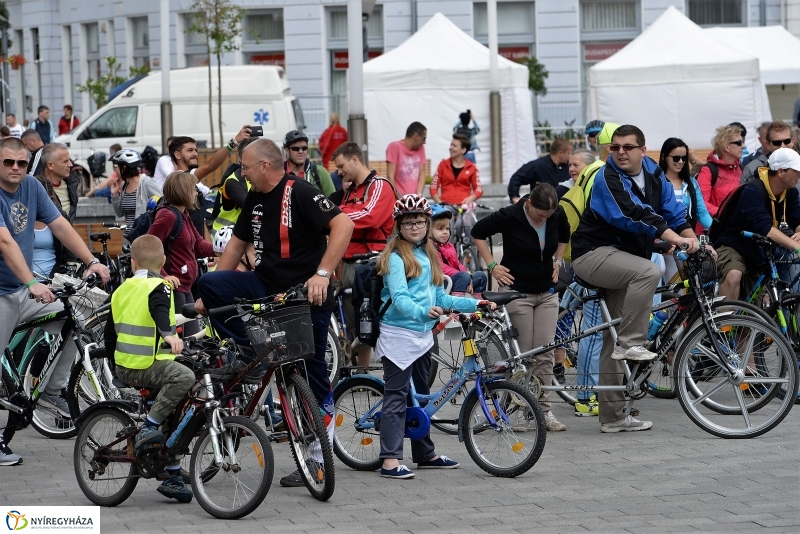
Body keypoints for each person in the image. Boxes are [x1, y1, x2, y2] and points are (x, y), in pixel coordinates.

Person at [195, 138, 354, 487]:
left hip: (305, 295)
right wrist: (210, 293)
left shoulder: (299, 191)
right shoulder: (254, 196)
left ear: (264, 166)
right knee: (208, 285)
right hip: (265, 287)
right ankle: (253, 352)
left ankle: (315, 457)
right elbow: (237, 244)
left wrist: (323, 274)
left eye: (246, 166)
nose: (242, 172)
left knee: (312, 380)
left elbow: (344, 225)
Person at [570, 124, 700, 433]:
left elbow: (674, 212)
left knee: (611, 340)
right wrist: (672, 239)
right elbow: (634, 214)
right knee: (651, 271)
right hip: (592, 255)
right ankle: (632, 342)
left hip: (623, 260)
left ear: (643, 150)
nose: (620, 152)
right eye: (615, 147)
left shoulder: (655, 174)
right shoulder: (607, 178)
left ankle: (613, 418)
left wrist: (692, 239)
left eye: (628, 147)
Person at [0, 137, 110, 466]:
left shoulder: (33, 187)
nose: (16, 168)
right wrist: (31, 281)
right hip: (4, 292)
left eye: (21, 162)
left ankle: (52, 390)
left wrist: (91, 260)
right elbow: (5, 241)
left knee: (76, 313)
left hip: (24, 290)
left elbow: (60, 225)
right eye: (8, 162)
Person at [375, 194, 491, 479]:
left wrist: (476, 303)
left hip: (423, 335)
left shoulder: (428, 253)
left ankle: (424, 454)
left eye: (420, 222)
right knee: (397, 396)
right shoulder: (394, 256)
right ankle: (389, 460)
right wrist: (423, 311)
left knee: (421, 397)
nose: (415, 227)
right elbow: (400, 298)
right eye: (408, 222)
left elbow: (440, 294)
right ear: (399, 225)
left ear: (427, 224)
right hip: (400, 334)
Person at [102, 234, 194, 502]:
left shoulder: (122, 290)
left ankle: (172, 473)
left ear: (132, 263)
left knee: (177, 409)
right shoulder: (161, 286)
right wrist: (169, 336)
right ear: (164, 261)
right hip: (144, 367)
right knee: (184, 377)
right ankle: (149, 427)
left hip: (126, 367)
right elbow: (158, 310)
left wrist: (116, 366)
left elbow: (110, 335)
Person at [472, 183, 570, 432]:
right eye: (540, 214)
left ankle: (543, 411)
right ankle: (519, 410)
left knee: (545, 353)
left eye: (548, 216)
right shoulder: (511, 214)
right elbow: (478, 231)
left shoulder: (557, 213)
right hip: (517, 292)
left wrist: (557, 261)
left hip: (547, 292)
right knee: (523, 355)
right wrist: (492, 264)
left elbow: (565, 236)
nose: (544, 218)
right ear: (529, 204)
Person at [332, 141, 396, 367]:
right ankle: (361, 374)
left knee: (370, 318)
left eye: (341, 166)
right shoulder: (349, 190)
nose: (339, 172)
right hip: (348, 262)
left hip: (372, 263)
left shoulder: (380, 185)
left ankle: (372, 368)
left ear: (355, 160)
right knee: (353, 320)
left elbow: (371, 216)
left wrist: (338, 215)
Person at [715, 147, 800, 301]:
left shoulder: (790, 191)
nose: (799, 175)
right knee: (734, 275)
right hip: (734, 246)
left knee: (754, 308)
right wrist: (796, 246)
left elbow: (797, 219)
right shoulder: (752, 191)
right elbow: (764, 228)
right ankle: (722, 324)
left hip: (761, 252)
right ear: (781, 171)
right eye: (797, 171)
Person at [147, 171, 215, 337]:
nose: (196, 193)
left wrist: (227, 249)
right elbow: (148, 247)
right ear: (182, 190)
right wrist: (163, 275)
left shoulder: (183, 214)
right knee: (181, 343)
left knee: (193, 341)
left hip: (185, 288)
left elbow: (199, 245)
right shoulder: (167, 215)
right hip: (173, 289)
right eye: (193, 189)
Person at [659, 138, 713, 283]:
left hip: (687, 240)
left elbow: (701, 213)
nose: (681, 162)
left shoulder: (690, 183)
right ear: (664, 157)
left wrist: (719, 231)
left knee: (691, 287)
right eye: (676, 158)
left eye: (684, 158)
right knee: (674, 287)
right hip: (666, 243)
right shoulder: (657, 182)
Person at [430, 204, 487, 298]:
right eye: (440, 229)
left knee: (480, 276)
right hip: (442, 282)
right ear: (429, 230)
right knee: (463, 276)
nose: (445, 232)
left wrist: (469, 276)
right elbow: (440, 267)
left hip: (457, 278)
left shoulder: (449, 246)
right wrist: (464, 276)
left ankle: (478, 306)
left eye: (447, 229)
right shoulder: (430, 247)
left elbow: (458, 264)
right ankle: (456, 309)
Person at [696, 124, 743, 217]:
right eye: (739, 143)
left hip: (739, 227)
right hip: (714, 227)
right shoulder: (708, 171)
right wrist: (724, 214)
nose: (743, 146)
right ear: (727, 147)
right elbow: (701, 202)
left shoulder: (742, 169)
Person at [110, 149, 163, 231]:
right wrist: (115, 194)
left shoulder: (146, 183)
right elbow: (119, 213)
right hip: (129, 238)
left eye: (115, 166)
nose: (114, 170)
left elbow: (163, 203)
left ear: (124, 167)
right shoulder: (124, 185)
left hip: (144, 238)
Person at [508, 137, 571, 203]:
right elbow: (516, 178)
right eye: (568, 153)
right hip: (540, 209)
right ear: (560, 153)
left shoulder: (569, 167)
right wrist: (514, 197)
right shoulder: (538, 165)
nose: (569, 156)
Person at [211, 138, 253, 237]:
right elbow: (252, 207)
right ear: (240, 157)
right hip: (223, 240)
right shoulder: (233, 181)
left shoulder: (258, 177)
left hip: (243, 236)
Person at [429, 134, 482, 205]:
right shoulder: (443, 165)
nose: (450, 148)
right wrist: (439, 202)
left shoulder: (472, 167)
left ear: (463, 150)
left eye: (454, 146)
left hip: (464, 207)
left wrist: (471, 199)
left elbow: (479, 189)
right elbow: (433, 186)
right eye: (451, 145)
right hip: (446, 207)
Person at [283, 130, 335, 197]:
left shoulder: (320, 172)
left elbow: (333, 202)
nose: (301, 151)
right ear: (287, 150)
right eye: (296, 149)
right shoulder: (278, 172)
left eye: (304, 148)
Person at [40, 143, 79, 224]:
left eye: (70, 160)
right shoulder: (37, 188)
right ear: (51, 165)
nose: (70, 165)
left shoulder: (71, 184)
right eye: (65, 161)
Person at [386, 122, 427, 197]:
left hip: (414, 201)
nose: (425, 142)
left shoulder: (421, 149)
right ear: (416, 136)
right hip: (398, 199)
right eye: (424, 138)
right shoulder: (394, 146)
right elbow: (390, 175)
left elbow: (422, 174)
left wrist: (418, 196)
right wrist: (396, 197)